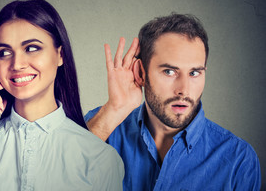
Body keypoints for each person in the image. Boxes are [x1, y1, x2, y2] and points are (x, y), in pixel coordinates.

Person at [0, 0, 124, 191]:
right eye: (4, 52)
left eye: (32, 48)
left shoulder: (100, 158)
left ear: (60, 55)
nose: (17, 64)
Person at [85, 13, 261, 190]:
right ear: (140, 73)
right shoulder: (103, 127)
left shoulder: (238, 159)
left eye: (194, 73)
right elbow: (60, 179)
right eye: (169, 72)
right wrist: (115, 109)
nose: (183, 90)